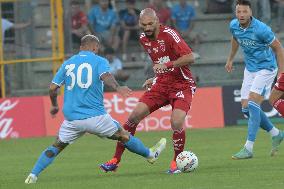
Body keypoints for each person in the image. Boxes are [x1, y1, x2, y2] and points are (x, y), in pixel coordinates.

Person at [24, 34, 166, 184]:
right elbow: (106, 76)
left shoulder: (68, 63)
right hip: (95, 117)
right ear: (95, 47)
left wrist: (54, 105)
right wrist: (118, 87)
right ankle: (150, 155)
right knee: (124, 136)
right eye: (97, 48)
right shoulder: (99, 61)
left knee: (56, 146)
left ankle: (33, 175)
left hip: (72, 120)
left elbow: (53, 88)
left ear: (80, 47)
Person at [100, 8, 196, 174]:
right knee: (133, 116)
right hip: (162, 84)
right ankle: (115, 160)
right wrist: (155, 77)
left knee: (177, 121)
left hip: (182, 84)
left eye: (151, 23)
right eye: (144, 24)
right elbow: (159, 60)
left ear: (157, 21)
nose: (147, 27)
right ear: (139, 24)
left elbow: (190, 57)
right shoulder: (143, 39)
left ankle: (176, 163)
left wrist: (165, 66)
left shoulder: (170, 34)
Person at [225, 0, 284, 160]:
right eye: (239, 12)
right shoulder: (234, 25)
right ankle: (276, 133)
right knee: (246, 109)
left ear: (250, 13)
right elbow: (235, 39)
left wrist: (281, 73)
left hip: (266, 68)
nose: (241, 15)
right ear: (236, 13)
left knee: (252, 103)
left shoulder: (261, 29)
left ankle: (248, 148)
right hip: (250, 69)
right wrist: (230, 58)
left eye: (244, 12)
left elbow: (279, 48)